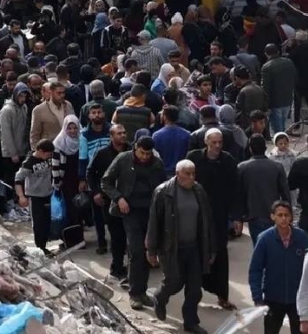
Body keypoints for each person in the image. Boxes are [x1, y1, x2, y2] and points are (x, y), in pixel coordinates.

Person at [147, 159, 216, 334]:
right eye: (187, 174)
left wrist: (210, 248)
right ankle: (160, 297)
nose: (191, 177)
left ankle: (190, 322)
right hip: (171, 248)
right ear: (178, 174)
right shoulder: (163, 192)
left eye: (193, 173)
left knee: (194, 289)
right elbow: (154, 223)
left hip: (194, 248)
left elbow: (207, 221)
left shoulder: (198, 190)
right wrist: (151, 250)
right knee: (174, 283)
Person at [102, 135, 166, 310]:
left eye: (148, 154)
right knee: (136, 250)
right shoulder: (123, 159)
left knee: (147, 250)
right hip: (130, 211)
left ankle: (142, 291)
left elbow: (163, 187)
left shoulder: (157, 163)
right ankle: (135, 293)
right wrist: (119, 198)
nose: (144, 157)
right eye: (141, 153)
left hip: (150, 212)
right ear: (135, 148)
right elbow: (106, 182)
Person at [187, 129, 241, 310]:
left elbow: (235, 190)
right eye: (214, 142)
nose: (217, 146)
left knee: (220, 255)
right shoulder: (194, 158)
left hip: (219, 215)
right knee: (195, 254)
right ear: (206, 142)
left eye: (220, 142)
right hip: (195, 214)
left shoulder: (228, 161)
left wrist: (236, 217)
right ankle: (193, 294)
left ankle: (222, 296)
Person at [249, 200, 308, 334]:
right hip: (273, 298)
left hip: (297, 299)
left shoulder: (302, 237)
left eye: (286, 215)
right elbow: (255, 269)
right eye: (280, 215)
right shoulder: (264, 239)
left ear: (291, 217)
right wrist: (257, 297)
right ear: (273, 216)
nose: (283, 218)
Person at [88, 125, 130, 281]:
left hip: (130, 200)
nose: (123, 135)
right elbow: (91, 173)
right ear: (111, 136)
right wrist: (96, 192)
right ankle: (117, 267)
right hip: (110, 200)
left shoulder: (132, 151)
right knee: (117, 235)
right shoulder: (102, 153)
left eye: (124, 132)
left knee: (131, 236)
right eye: (119, 133)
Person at [239, 135, 292, 244]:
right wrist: (288, 214)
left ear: (250, 149)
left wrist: (239, 216)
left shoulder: (242, 167)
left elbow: (238, 194)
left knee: (259, 245)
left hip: (253, 214)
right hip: (274, 214)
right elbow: (285, 193)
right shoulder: (277, 166)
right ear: (265, 148)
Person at [79, 103, 112, 255]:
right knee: (97, 213)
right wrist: (82, 179)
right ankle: (101, 242)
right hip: (94, 176)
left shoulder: (111, 130)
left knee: (113, 212)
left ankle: (117, 242)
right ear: (89, 116)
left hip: (112, 176)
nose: (97, 115)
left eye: (99, 112)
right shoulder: (85, 135)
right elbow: (82, 158)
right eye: (94, 113)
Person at [15, 139, 57, 252]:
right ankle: (40, 247)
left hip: (47, 195)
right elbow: (18, 180)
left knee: (47, 221)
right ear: (40, 151)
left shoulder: (48, 159)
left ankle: (45, 244)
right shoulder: (29, 163)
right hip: (35, 197)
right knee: (38, 223)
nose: (49, 156)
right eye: (47, 154)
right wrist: (21, 196)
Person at [53, 115, 85, 248]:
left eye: (75, 128)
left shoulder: (82, 140)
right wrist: (57, 183)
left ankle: (79, 239)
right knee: (69, 210)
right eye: (69, 128)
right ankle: (70, 240)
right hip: (66, 181)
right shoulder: (59, 142)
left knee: (79, 210)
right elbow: (55, 165)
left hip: (79, 180)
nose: (72, 131)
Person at [0, 83, 32, 191]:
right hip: (10, 153)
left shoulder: (24, 107)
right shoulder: (7, 110)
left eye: (25, 96)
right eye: (20, 96)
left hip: (22, 150)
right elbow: (6, 134)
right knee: (10, 180)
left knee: (20, 180)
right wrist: (13, 153)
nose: (23, 99)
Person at [262, 44, 297, 134]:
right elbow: (295, 78)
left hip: (275, 102)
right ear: (278, 52)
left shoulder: (266, 67)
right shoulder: (289, 62)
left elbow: (265, 88)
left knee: (278, 130)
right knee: (283, 124)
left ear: (266, 54)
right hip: (288, 98)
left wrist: (266, 104)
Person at [30, 82, 74, 147]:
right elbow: (34, 134)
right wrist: (36, 150)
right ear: (51, 93)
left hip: (68, 147)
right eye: (59, 93)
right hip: (49, 148)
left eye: (63, 93)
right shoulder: (39, 110)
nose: (62, 95)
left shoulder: (68, 105)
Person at [153, 105, 191, 176]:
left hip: (163, 173)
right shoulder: (187, 134)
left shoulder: (157, 135)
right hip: (181, 172)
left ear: (165, 117)